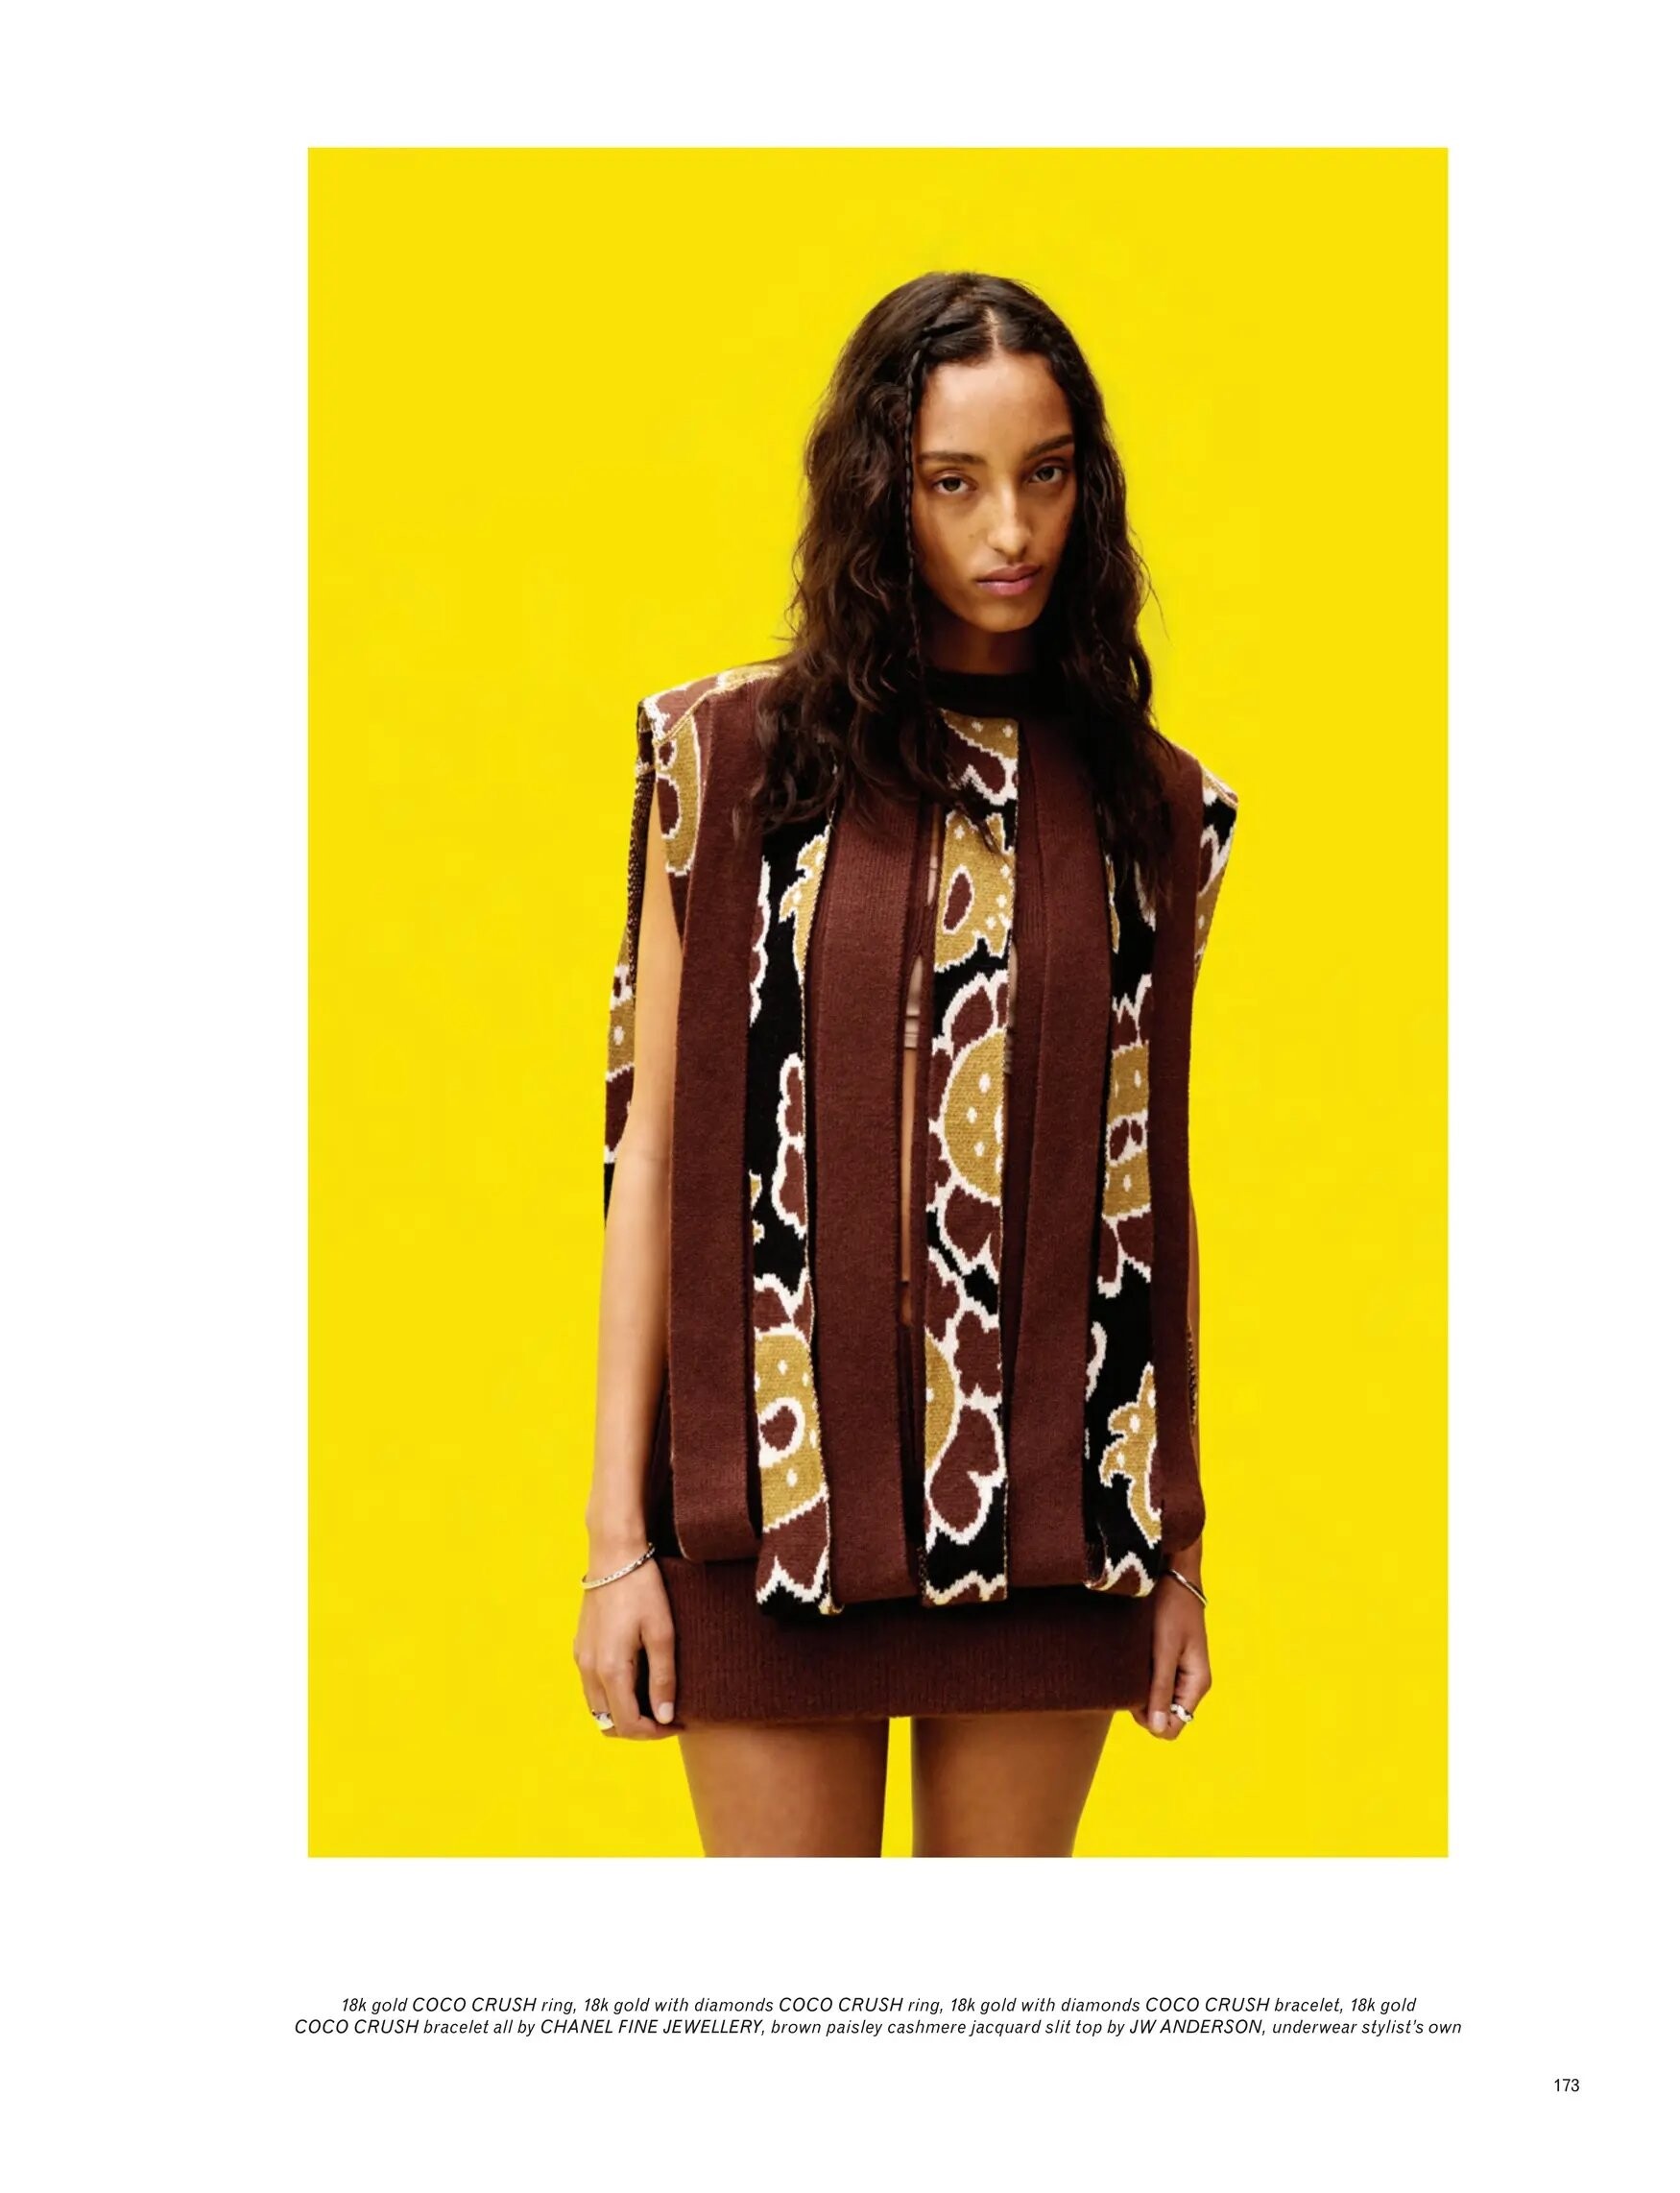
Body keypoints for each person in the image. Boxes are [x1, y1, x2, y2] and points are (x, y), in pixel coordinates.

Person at [574, 271, 1237, 1857]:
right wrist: (614, 1541)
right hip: (763, 1509)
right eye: (953, 482)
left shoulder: (1158, 809)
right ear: (883, 493)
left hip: (1055, 1523)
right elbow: (651, 1151)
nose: (1009, 529)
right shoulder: (722, 758)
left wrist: (1179, 1543)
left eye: (1044, 474)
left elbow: (1147, 1189)